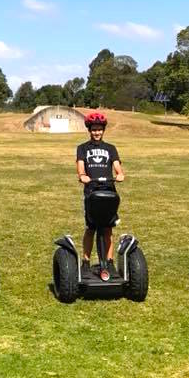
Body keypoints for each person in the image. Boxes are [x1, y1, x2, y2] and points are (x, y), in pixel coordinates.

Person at [75, 111, 125, 275]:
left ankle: (109, 262)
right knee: (91, 228)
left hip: (109, 192)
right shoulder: (82, 148)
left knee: (108, 229)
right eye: (94, 129)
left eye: (99, 129)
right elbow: (81, 166)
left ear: (103, 130)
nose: (97, 132)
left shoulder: (110, 148)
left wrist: (119, 174)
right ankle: (86, 261)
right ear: (89, 130)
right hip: (92, 192)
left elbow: (116, 165)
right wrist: (82, 176)